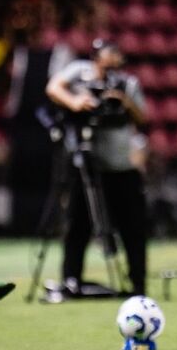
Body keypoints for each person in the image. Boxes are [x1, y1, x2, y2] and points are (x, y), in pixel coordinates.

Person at [45, 38, 149, 297]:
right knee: (77, 225)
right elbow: (54, 88)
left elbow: (142, 118)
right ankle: (71, 279)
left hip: (121, 166)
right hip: (86, 165)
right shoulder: (79, 73)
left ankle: (137, 283)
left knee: (132, 227)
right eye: (107, 54)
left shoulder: (127, 83)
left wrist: (124, 102)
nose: (112, 60)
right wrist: (76, 102)